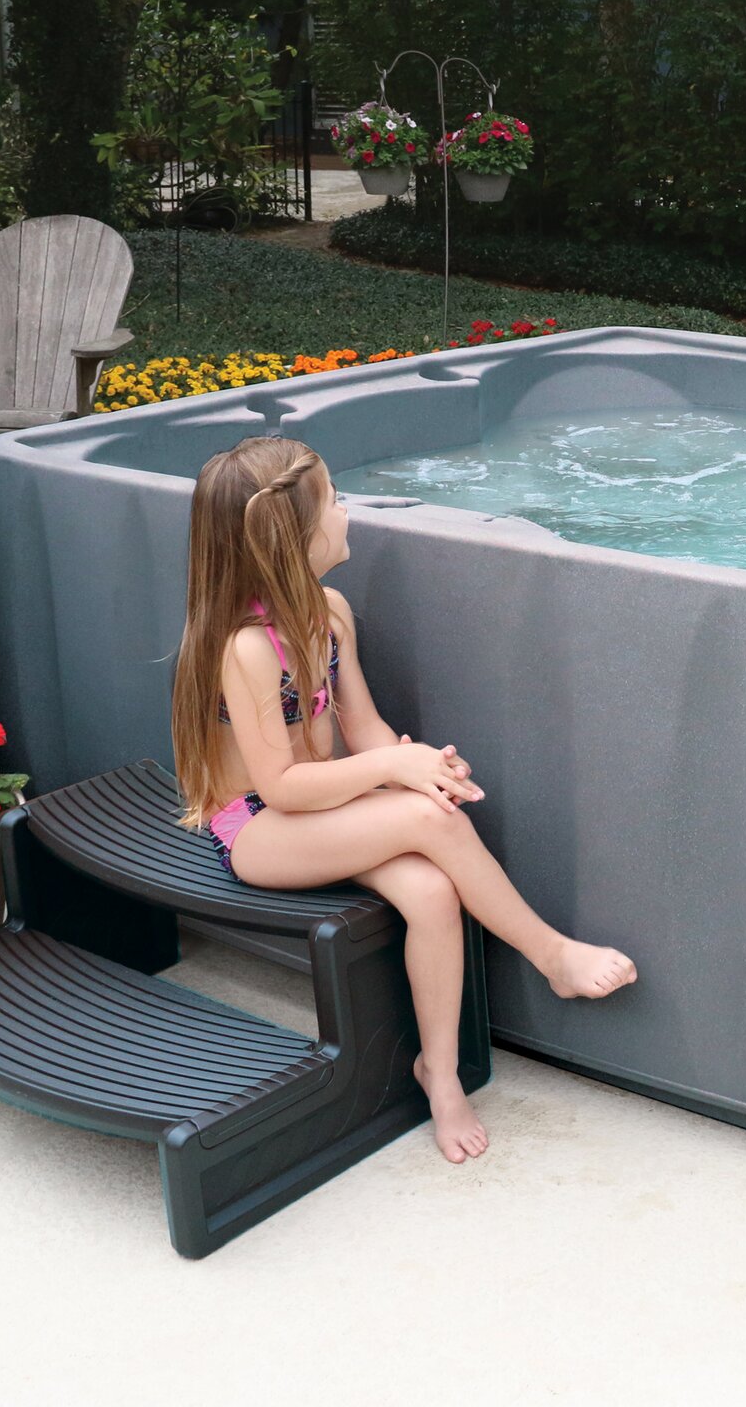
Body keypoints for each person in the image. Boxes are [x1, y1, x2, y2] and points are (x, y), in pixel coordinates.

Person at [170, 436, 637, 1164]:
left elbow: (363, 728)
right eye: (334, 501)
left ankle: (438, 1075)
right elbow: (279, 787)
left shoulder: (328, 614)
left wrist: (421, 769)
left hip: (322, 812)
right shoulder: (247, 649)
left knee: (432, 890)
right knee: (426, 820)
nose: (346, 511)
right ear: (295, 536)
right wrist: (397, 772)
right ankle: (551, 955)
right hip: (259, 829)